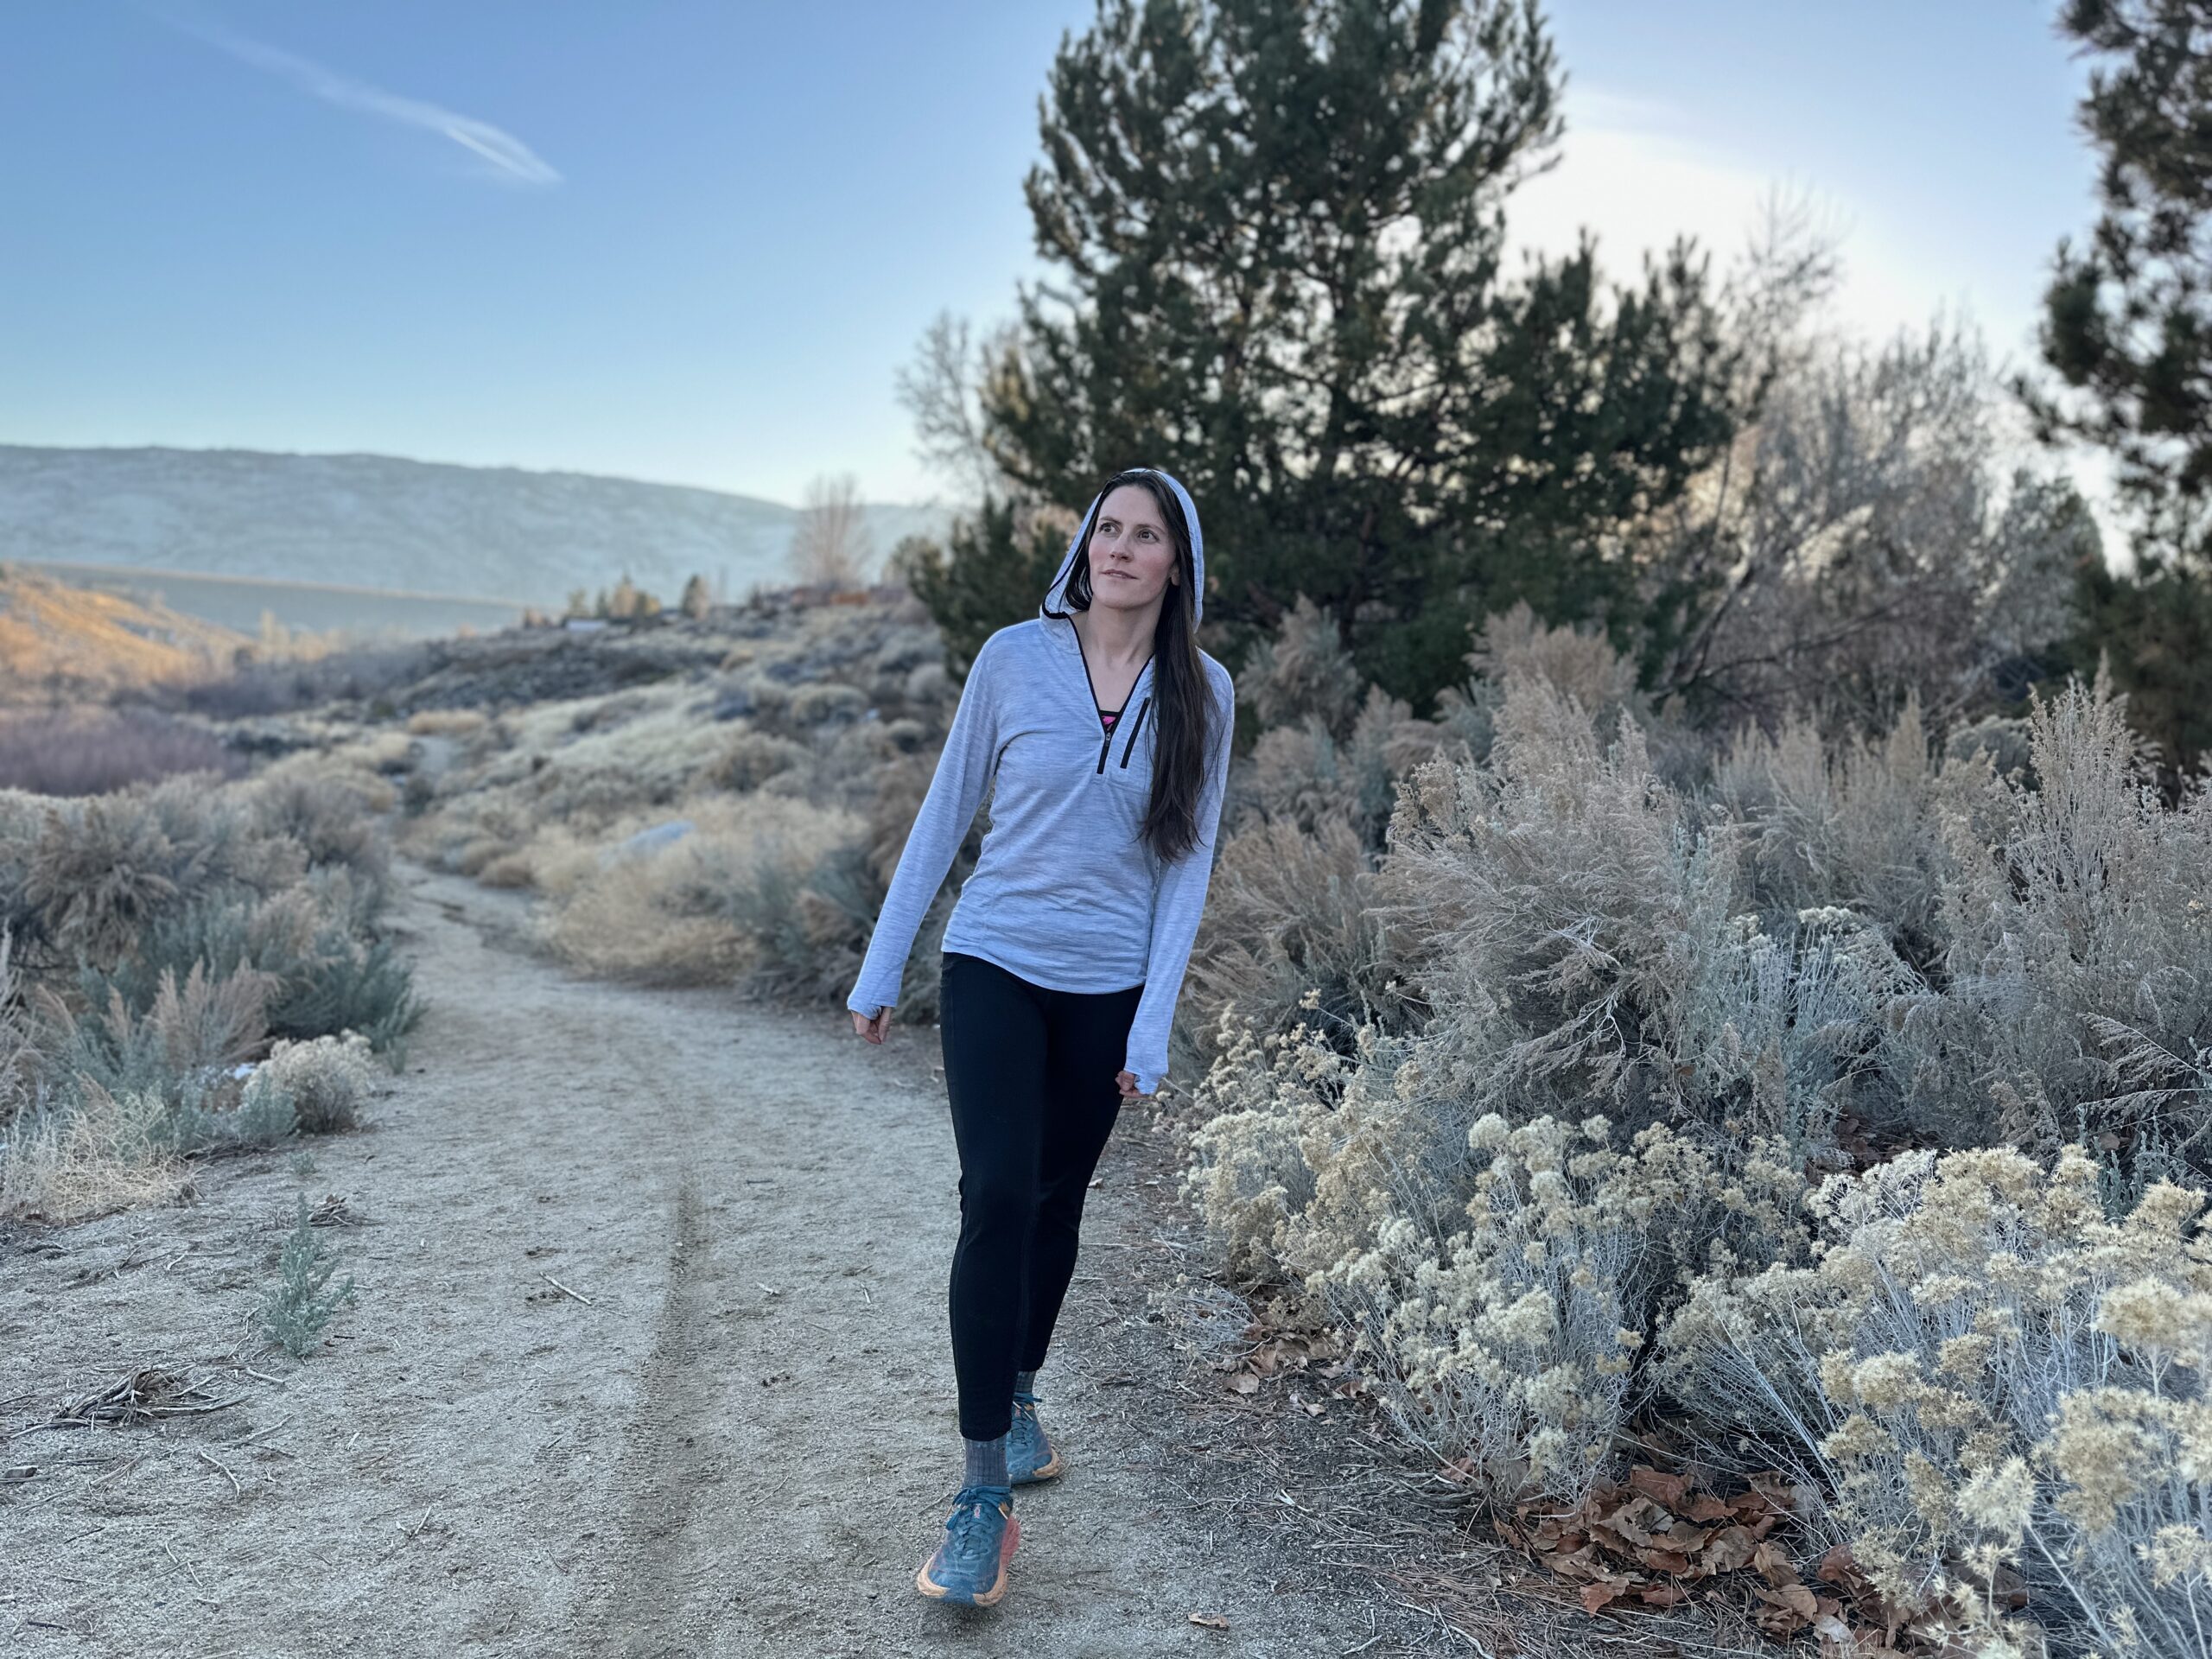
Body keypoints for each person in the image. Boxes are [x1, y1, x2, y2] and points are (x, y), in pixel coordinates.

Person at [845, 466, 1236, 1609]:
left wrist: (1151, 1027)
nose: (1119, 548)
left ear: (1177, 563)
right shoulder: (1014, 658)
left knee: (1058, 1202)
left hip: (1107, 986)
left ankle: (1020, 1398)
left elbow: (1188, 869)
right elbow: (944, 814)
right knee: (998, 1198)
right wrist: (884, 967)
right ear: (1088, 546)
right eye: (1107, 528)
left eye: (1145, 534)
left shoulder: (1203, 692)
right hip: (995, 962)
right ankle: (979, 1497)